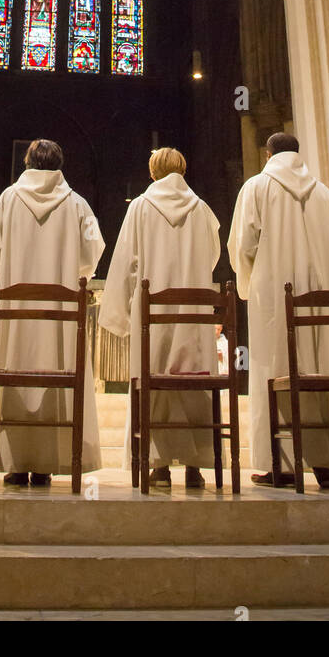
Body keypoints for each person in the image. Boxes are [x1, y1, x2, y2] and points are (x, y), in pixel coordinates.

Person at [0, 139, 102, 486]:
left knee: (15, 368)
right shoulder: (77, 204)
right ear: (60, 164)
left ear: (27, 162)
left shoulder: (9, 200)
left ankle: (15, 463)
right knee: (57, 369)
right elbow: (93, 250)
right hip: (60, 316)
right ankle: (47, 463)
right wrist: (73, 273)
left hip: (14, 315)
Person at [228, 133, 329, 490]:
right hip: (320, 295)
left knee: (275, 369)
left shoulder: (256, 187)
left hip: (274, 294)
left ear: (267, 153)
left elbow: (243, 244)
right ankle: (328, 464)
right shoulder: (325, 194)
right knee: (320, 368)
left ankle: (278, 466)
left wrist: (252, 279)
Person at [99, 147, 222, 490]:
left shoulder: (140, 207)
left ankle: (158, 465)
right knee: (193, 379)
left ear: (153, 173)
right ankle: (197, 465)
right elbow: (212, 256)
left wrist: (120, 313)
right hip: (193, 311)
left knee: (154, 379)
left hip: (151, 313)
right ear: (183, 170)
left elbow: (125, 260)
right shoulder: (201, 210)